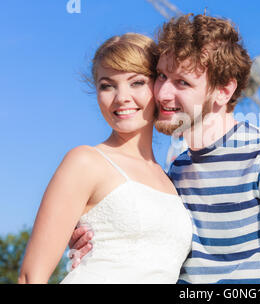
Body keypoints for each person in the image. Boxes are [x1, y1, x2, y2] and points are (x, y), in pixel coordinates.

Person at [71, 14, 260, 284]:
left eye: (182, 82)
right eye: (161, 76)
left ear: (223, 90)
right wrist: (97, 247)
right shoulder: (175, 173)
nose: (162, 94)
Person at [18, 33, 193, 284]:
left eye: (136, 82)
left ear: (158, 87)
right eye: (107, 85)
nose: (121, 97)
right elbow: (30, 277)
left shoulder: (173, 179)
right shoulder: (86, 162)